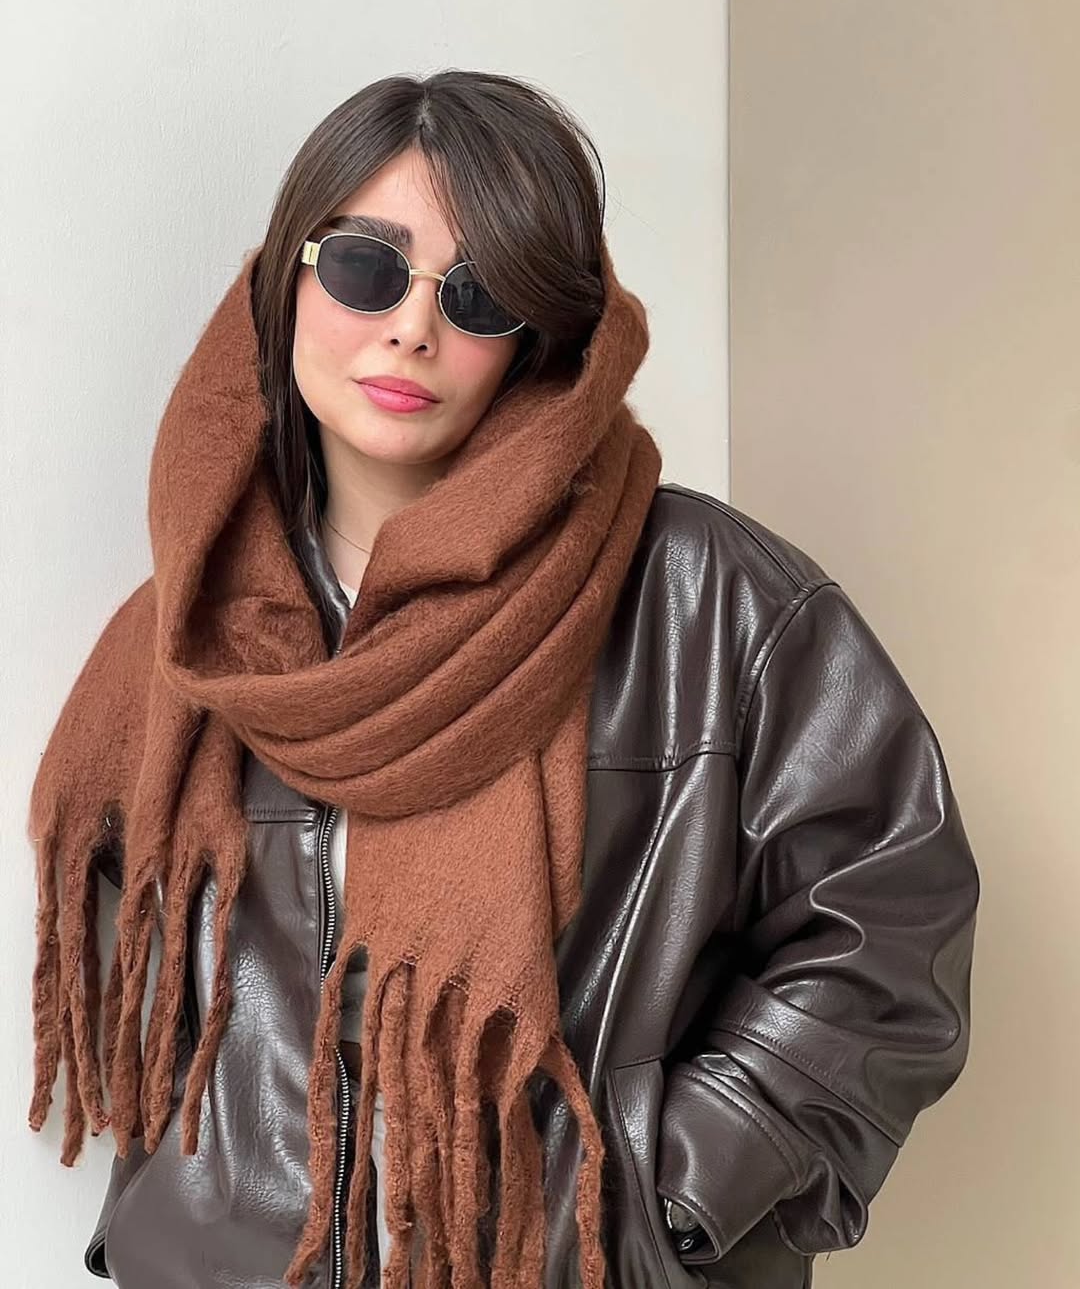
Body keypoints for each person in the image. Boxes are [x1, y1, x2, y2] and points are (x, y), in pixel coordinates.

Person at [25, 70, 979, 1289]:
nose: (411, 329)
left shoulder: (708, 596)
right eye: (366, 267)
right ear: (286, 279)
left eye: (476, 296)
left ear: (539, 342)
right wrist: (164, 1214)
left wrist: (665, 1200)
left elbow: (890, 926)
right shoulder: (196, 626)